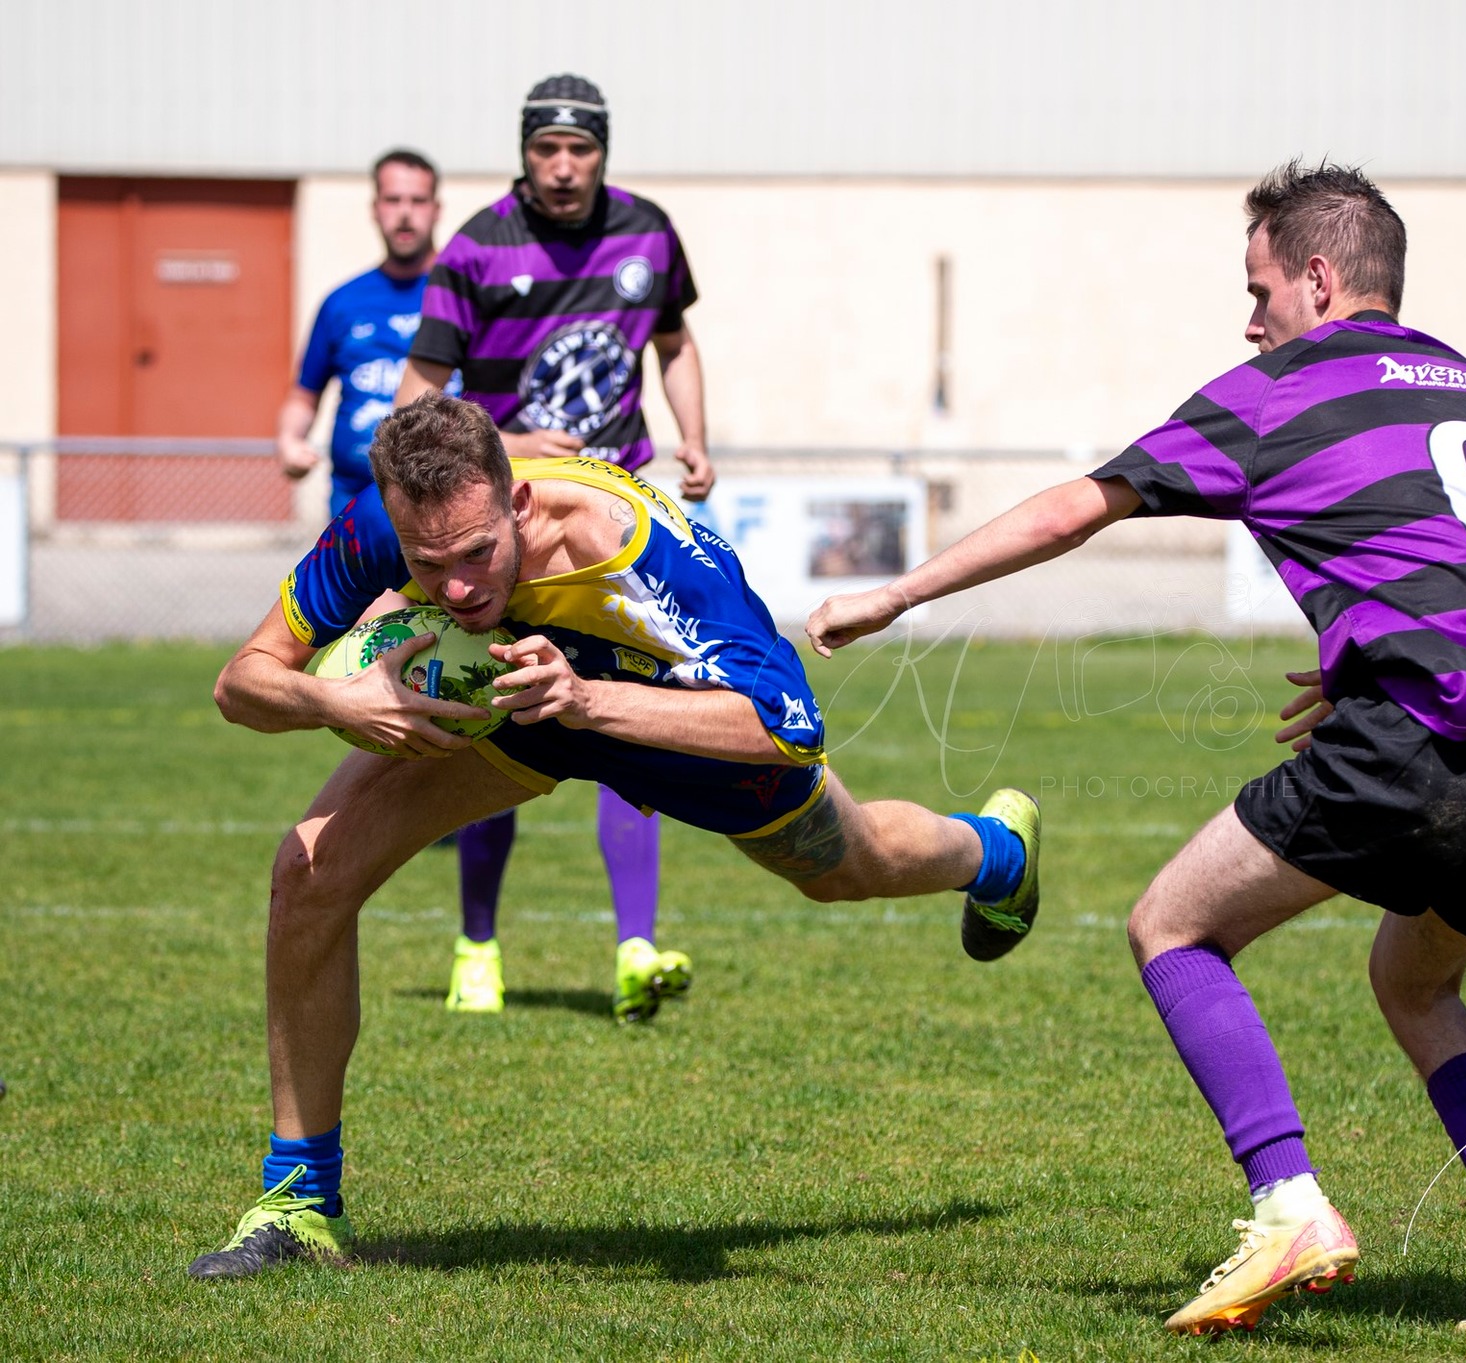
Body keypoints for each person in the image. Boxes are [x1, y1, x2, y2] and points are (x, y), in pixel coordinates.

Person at [806, 161, 1466, 1338]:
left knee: (1170, 925)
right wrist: (1356, 662)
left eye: (1257, 290)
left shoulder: (1278, 388)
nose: (1248, 322)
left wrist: (894, 597)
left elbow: (1073, 507)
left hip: (1420, 728)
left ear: (1318, 276)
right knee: (1418, 982)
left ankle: (1287, 1203)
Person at [189, 392, 1040, 1279]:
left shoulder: (629, 548)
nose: (457, 588)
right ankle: (298, 1203)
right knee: (309, 870)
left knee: (846, 863)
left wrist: (589, 700)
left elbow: (791, 725)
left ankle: (996, 853)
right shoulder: (379, 522)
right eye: (426, 563)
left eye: (478, 554)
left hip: (674, 712)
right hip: (517, 703)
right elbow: (239, 684)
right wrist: (333, 698)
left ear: (517, 502)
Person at [393, 74, 719, 1021]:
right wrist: (511, 446)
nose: (564, 167)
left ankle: (634, 946)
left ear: (603, 152)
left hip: (619, 528)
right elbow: (418, 401)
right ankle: (478, 947)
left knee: (632, 715)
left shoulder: (648, 232)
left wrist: (695, 433)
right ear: (524, 152)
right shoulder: (478, 248)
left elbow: (674, 339)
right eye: (547, 150)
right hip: (513, 535)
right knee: (501, 722)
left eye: (580, 150)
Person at [279, 150, 445, 517]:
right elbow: (304, 397)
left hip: (443, 502)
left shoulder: (461, 294)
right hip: (353, 502)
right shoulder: (341, 303)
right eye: (393, 200)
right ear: (375, 208)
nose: (405, 212)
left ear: (436, 209)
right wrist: (290, 441)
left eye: (417, 201)